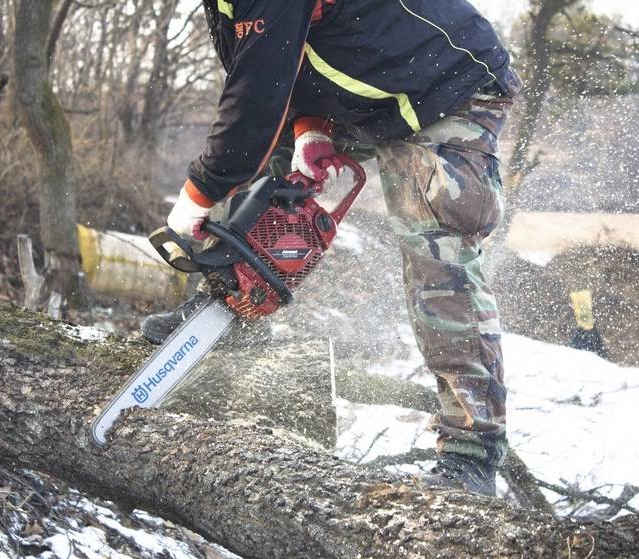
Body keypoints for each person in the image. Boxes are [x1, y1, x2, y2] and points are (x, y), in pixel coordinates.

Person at [142, 0, 522, 497]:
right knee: (269, 168)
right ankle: (229, 303)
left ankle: (471, 454)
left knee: (436, 248)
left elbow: (254, 101)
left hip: (448, 83)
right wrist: (310, 129)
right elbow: (283, 70)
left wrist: (198, 195)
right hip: (372, 93)